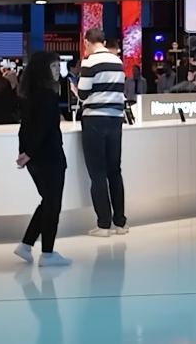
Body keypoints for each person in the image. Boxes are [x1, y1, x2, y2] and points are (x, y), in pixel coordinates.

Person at [14, 51, 72, 267]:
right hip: (48, 157)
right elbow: (43, 128)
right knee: (52, 204)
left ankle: (26, 244)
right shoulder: (47, 95)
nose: (58, 71)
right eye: (54, 66)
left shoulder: (30, 94)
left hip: (36, 159)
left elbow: (25, 128)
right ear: (43, 70)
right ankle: (47, 253)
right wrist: (28, 152)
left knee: (48, 201)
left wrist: (24, 152)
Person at [77, 28, 128, 238]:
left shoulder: (89, 62)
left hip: (94, 120)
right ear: (104, 42)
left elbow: (83, 93)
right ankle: (120, 223)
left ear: (86, 42)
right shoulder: (118, 61)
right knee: (114, 171)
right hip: (116, 119)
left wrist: (76, 91)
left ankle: (103, 224)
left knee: (97, 173)